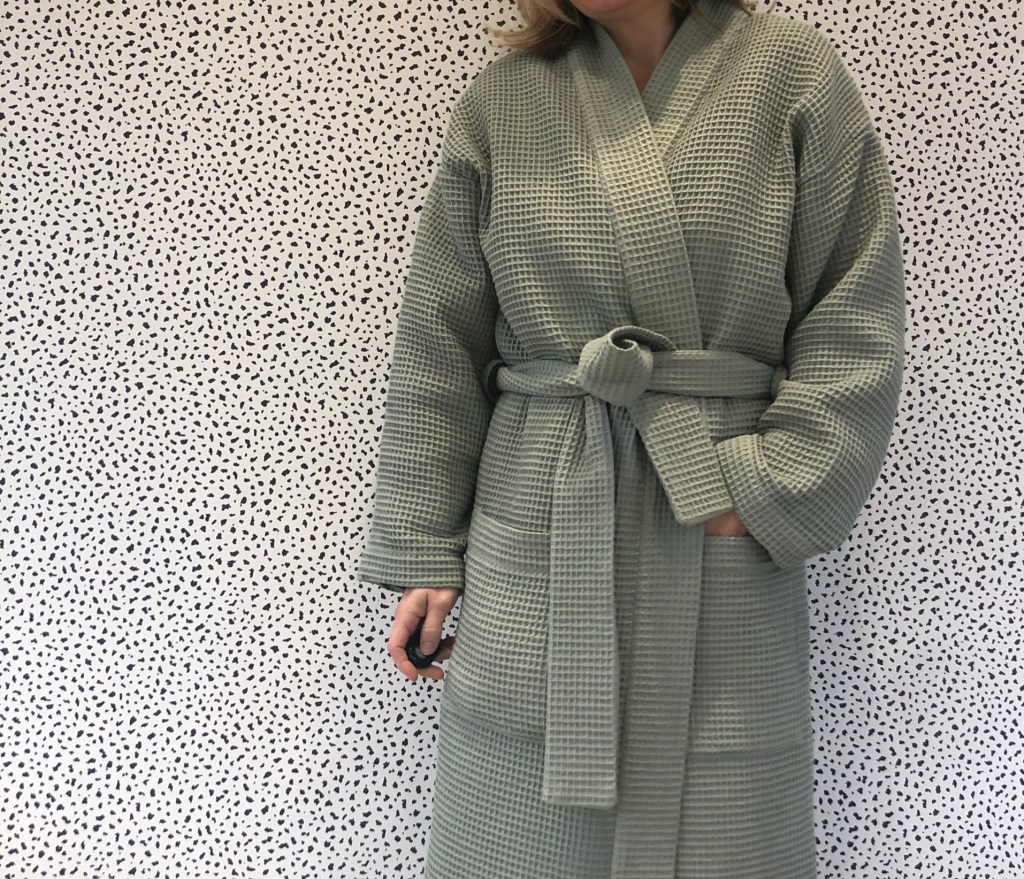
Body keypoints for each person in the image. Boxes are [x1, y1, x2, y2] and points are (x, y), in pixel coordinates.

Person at [357, 0, 905, 875]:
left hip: (710, 510)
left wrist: (760, 491)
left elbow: (854, 312)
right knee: (519, 832)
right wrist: (428, 544)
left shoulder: (792, 73)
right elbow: (440, 338)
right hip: (539, 518)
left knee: (718, 827)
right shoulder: (504, 101)